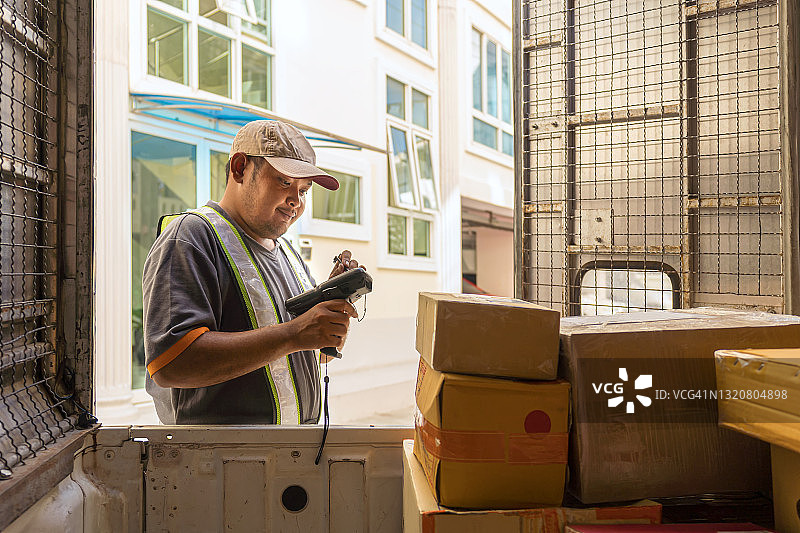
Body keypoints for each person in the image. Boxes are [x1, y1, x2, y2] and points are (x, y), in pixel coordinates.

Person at [142, 120, 361, 425]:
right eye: (284, 182)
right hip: (225, 463)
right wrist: (295, 334)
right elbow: (171, 364)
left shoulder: (287, 254)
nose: (296, 201)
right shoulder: (191, 236)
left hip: (289, 457)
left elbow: (315, 354)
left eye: (303, 190)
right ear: (240, 168)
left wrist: (327, 324)